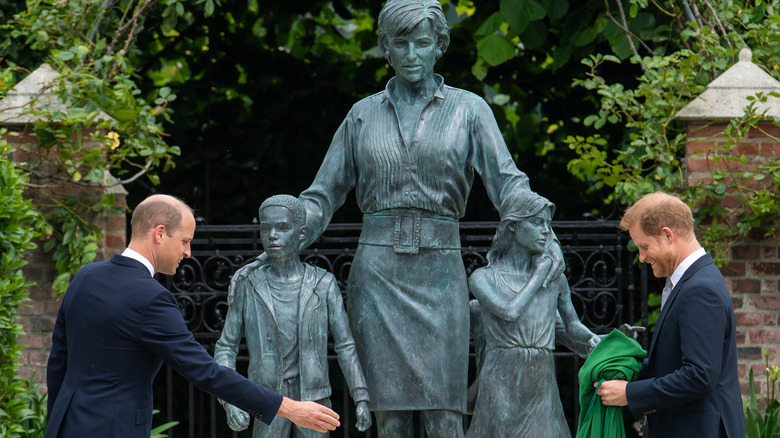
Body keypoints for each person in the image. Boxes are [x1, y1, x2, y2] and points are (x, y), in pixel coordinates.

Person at [237, 1, 566, 436]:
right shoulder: (361, 114)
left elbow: (509, 184)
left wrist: (541, 228)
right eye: (401, 43)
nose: (412, 54)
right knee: (388, 419)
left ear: (440, 47)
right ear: (385, 48)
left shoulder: (470, 111)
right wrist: (287, 231)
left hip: (440, 272)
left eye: (423, 43)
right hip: (378, 277)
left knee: (445, 415)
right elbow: (322, 196)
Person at [45, 194, 340, 438]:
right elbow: (205, 372)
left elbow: (59, 360)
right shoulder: (152, 298)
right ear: (159, 233)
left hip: (65, 425)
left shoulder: (86, 276)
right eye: (185, 241)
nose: (188, 252)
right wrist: (289, 408)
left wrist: (56, 421)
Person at [214, 195, 372, 437]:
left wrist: (361, 397)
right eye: (266, 229)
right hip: (266, 398)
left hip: (315, 397)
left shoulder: (323, 284)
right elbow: (226, 347)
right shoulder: (248, 285)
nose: (273, 236)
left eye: (283, 228)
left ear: (301, 233)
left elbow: (345, 345)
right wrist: (230, 400)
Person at [596, 192, 745, 438]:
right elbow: (675, 364)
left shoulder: (699, 289)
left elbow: (699, 376)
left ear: (667, 235)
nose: (642, 257)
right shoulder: (686, 282)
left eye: (644, 246)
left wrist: (630, 394)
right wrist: (626, 368)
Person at [465, 190, 600, 437]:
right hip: (501, 380)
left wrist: (595, 339)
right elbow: (509, 311)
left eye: (548, 224)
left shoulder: (555, 280)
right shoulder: (484, 278)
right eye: (537, 222)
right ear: (513, 227)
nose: (546, 231)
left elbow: (571, 326)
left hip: (540, 380)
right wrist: (538, 276)